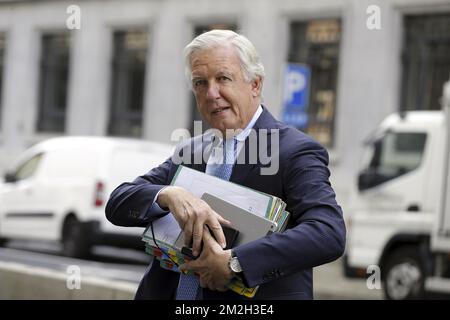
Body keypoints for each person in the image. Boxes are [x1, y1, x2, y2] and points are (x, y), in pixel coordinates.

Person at [105, 29, 346, 300]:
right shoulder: (190, 150)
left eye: (223, 78)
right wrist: (168, 194)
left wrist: (236, 262)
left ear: (255, 84)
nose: (211, 93)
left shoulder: (295, 151)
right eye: (200, 83)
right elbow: (117, 204)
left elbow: (328, 232)